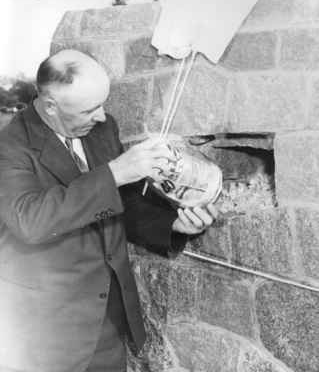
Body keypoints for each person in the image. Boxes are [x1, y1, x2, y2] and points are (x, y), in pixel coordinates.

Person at [0, 49, 218, 372]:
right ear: (50, 106)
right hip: (45, 332)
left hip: (108, 320)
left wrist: (174, 224)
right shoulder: (10, 146)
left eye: (102, 104)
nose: (102, 116)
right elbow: (30, 220)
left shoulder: (101, 128)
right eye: (90, 109)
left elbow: (118, 203)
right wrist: (115, 172)